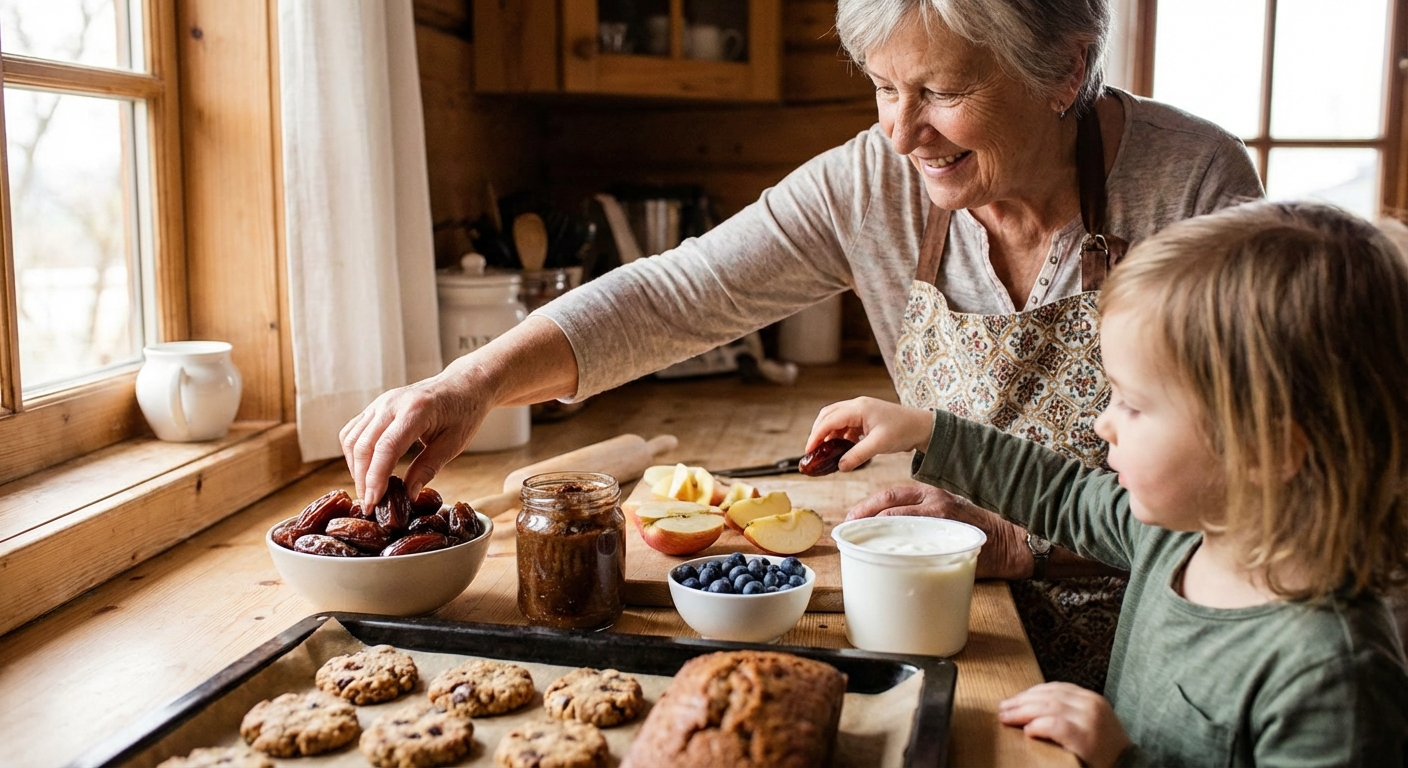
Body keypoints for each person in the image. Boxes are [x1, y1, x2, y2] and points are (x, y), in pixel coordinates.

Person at [341, 0, 1263, 688]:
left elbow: (1242, 483)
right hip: (949, 612)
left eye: (941, 91)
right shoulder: (876, 179)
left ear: (1066, 70)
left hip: (1148, 638)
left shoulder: (1194, 184)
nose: (901, 133)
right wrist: (470, 381)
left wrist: (1020, 543)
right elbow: (677, 292)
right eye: (882, 87)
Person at [805, 200, 1408, 767]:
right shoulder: (1181, 537)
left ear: (1269, 448)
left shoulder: (1333, 674)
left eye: (1135, 405)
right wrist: (925, 430)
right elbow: (1062, 493)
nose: (1102, 423)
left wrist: (1122, 758)